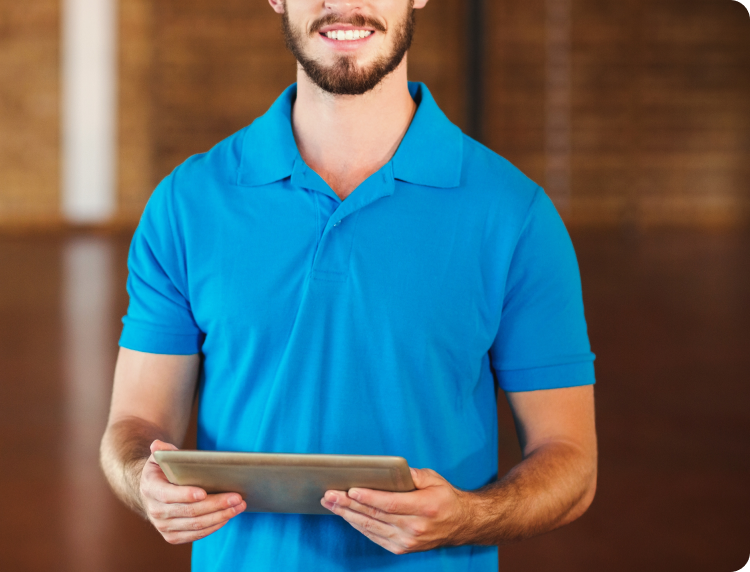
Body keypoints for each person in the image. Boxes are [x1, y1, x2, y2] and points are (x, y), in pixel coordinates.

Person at [100, 0, 598, 571]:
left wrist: (469, 516)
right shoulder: (187, 205)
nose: (345, 4)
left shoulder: (515, 216)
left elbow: (571, 463)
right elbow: (134, 425)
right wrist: (145, 481)